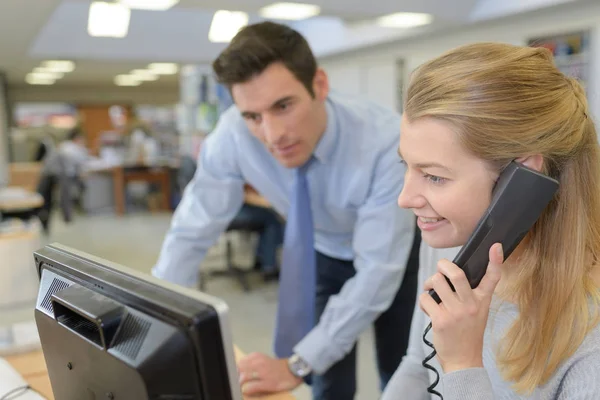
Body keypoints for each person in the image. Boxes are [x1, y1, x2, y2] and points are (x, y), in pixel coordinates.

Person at [151, 21, 419, 400]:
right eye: (253, 116)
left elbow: (378, 271)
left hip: (395, 250)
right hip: (322, 247)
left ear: (320, 85)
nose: (272, 135)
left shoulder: (384, 141)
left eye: (284, 106)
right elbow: (192, 229)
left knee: (401, 369)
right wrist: (159, 321)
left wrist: (295, 365)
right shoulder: (232, 135)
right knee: (322, 372)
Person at [382, 42, 600, 399]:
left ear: (522, 176)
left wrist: (463, 366)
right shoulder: (447, 241)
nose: (405, 199)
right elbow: (416, 368)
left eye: (434, 176)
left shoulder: (591, 334)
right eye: (405, 165)